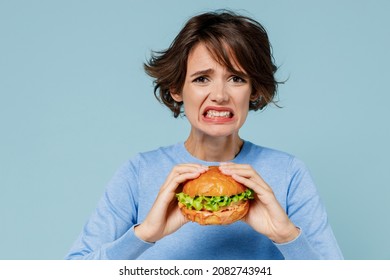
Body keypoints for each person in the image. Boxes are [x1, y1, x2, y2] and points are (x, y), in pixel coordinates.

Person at [65, 10, 343, 260]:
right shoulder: (139, 172)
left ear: (254, 90)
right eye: (201, 79)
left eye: (237, 78)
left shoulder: (288, 173)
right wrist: (144, 235)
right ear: (177, 89)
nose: (220, 95)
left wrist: (287, 237)